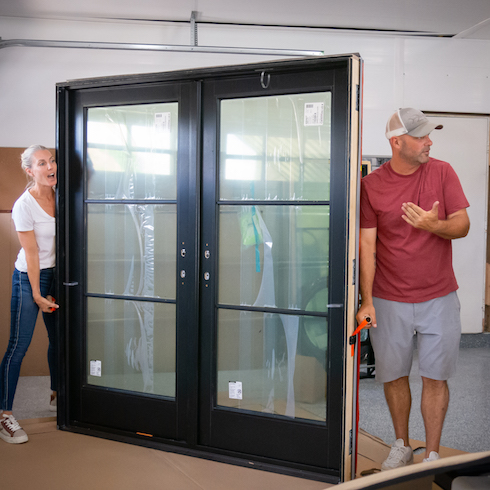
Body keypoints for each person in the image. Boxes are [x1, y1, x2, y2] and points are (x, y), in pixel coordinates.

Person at [356, 108, 470, 470]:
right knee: (393, 375)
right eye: (421, 137)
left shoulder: (442, 171)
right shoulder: (370, 187)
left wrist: (433, 225)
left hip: (439, 295)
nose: (429, 142)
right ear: (397, 142)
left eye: (428, 135)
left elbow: (463, 225)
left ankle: (432, 453)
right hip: (390, 299)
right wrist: (367, 301)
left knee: (435, 377)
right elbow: (367, 247)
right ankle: (402, 444)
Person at [0, 145, 59, 444]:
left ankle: (56, 394)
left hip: (57, 276)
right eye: (41, 163)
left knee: (60, 340)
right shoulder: (24, 205)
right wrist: (37, 293)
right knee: (17, 347)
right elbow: (32, 254)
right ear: (29, 170)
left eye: (51, 160)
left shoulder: (60, 194)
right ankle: (4, 416)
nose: (50, 166)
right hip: (28, 278)